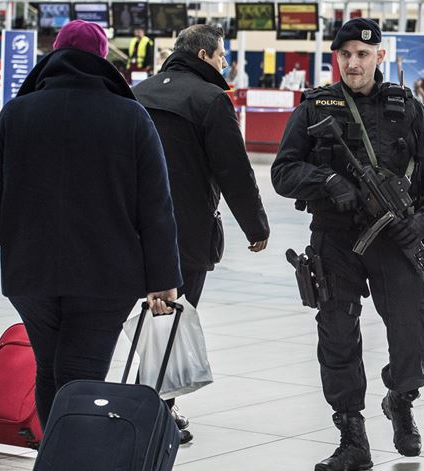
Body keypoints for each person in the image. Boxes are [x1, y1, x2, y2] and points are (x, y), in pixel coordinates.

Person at [0, 20, 181, 429]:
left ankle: (57, 453)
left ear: (53, 56)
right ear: (102, 60)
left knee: (51, 370)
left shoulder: (17, 113)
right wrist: (163, 278)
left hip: (31, 272)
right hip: (107, 276)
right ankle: (69, 455)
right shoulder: (131, 117)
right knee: (81, 374)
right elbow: (156, 206)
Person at [271, 18, 424, 471]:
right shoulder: (315, 107)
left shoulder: (406, 107)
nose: (354, 63)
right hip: (335, 237)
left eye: (363, 54)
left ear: (380, 57)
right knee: (337, 335)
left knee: (415, 332)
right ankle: (352, 436)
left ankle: (401, 395)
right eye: (346, 54)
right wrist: (327, 180)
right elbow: (283, 172)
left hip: (394, 238)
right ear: (337, 58)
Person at [133, 24, 270, 444]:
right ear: (207, 54)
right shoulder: (211, 99)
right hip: (185, 234)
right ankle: (155, 410)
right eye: (223, 55)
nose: (226, 63)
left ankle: (133, 404)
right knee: (172, 320)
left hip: (130, 229)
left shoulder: (138, 92)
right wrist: (256, 225)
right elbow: (233, 169)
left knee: (137, 322)